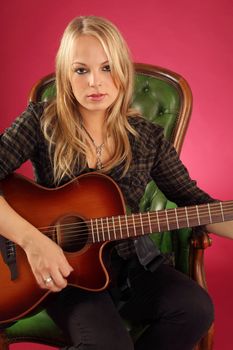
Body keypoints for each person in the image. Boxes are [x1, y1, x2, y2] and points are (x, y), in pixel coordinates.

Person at [0, 15, 233, 350]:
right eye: (81, 70)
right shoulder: (41, 121)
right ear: (67, 74)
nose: (95, 81)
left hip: (131, 267)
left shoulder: (146, 137)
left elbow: (193, 201)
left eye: (106, 67)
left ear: (123, 71)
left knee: (195, 309)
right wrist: (35, 243)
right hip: (66, 272)